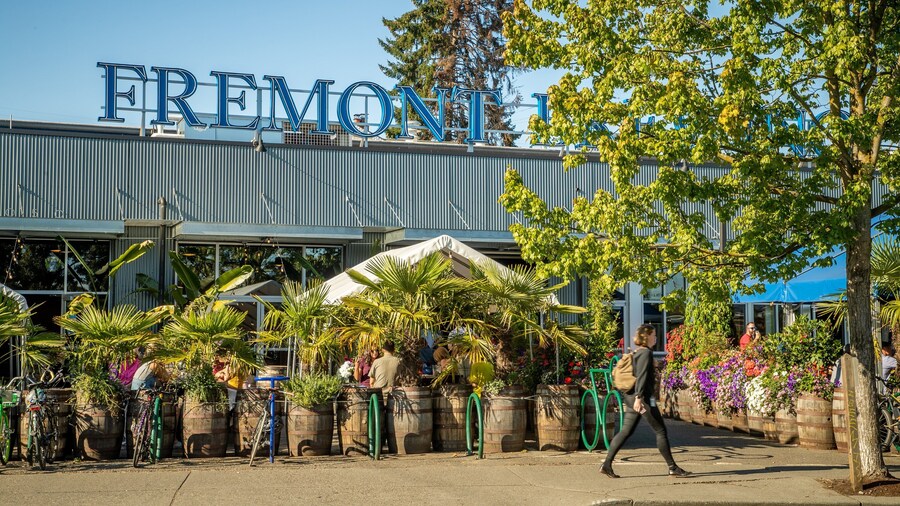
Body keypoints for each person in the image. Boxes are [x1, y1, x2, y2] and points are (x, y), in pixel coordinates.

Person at [601, 324, 691, 478]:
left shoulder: (639, 352)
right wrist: (639, 398)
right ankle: (672, 467)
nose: (655, 337)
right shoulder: (645, 353)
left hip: (633, 398)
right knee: (660, 431)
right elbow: (641, 376)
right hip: (642, 400)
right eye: (653, 334)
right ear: (646, 336)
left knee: (626, 431)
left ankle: (606, 464)